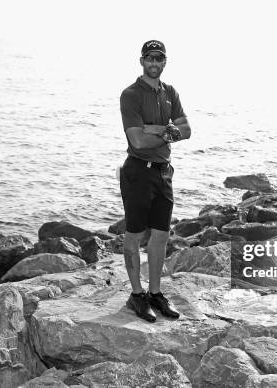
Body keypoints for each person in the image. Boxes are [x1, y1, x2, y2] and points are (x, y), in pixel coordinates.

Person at [119, 40, 191, 322]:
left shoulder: (170, 92)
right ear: (141, 61)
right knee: (135, 235)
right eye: (149, 57)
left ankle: (156, 293)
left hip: (163, 171)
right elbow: (136, 138)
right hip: (137, 171)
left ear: (164, 62)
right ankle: (137, 295)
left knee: (161, 235)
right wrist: (168, 130)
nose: (153, 62)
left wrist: (157, 131)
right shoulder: (131, 94)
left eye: (158, 58)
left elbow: (187, 129)